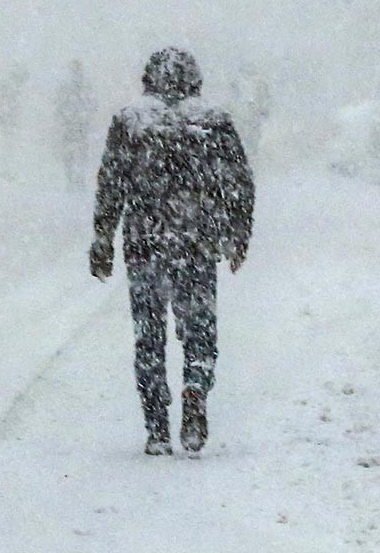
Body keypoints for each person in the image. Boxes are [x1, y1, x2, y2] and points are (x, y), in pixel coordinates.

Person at [89, 47, 255, 456]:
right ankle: (195, 386)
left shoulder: (130, 121)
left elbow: (112, 184)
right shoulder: (215, 122)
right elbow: (238, 184)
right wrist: (237, 236)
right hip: (196, 242)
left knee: (149, 335)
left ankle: (157, 424)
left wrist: (103, 239)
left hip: (146, 242)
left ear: (148, 79)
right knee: (199, 329)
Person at [54, 59, 97, 192]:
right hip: (76, 125)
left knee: (75, 153)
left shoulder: (78, 86)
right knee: (75, 153)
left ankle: (75, 178)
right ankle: (74, 178)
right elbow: (93, 104)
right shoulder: (80, 86)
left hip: (76, 125)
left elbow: (59, 105)